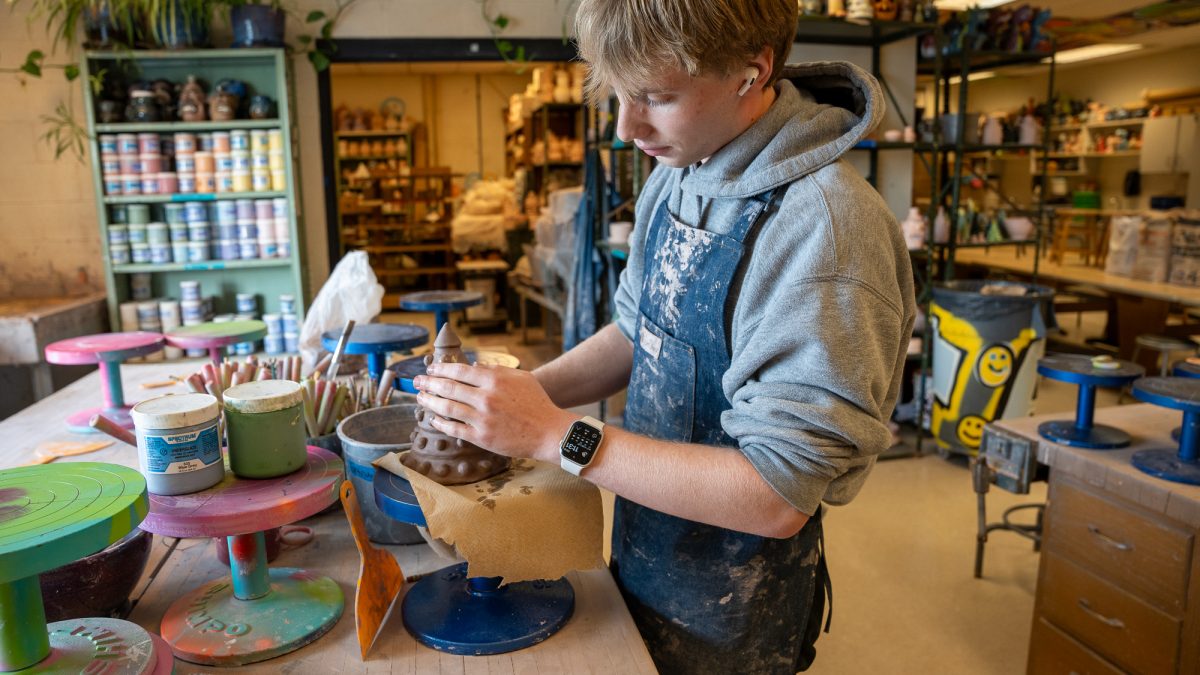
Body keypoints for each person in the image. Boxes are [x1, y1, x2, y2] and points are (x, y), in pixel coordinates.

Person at [411, 0, 916, 672]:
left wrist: (551, 434)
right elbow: (640, 330)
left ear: (751, 70)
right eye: (618, 94)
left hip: (736, 604)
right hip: (648, 542)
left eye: (656, 96)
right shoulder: (682, 168)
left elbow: (776, 494)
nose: (626, 127)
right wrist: (519, 397)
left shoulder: (825, 228)